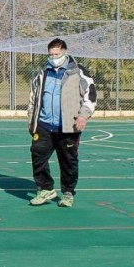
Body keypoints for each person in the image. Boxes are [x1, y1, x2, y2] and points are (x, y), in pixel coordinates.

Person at [27, 38, 96, 208]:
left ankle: (67, 193)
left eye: (56, 54)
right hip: (44, 125)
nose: (53, 57)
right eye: (50, 54)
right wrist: (31, 119)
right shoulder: (43, 72)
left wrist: (83, 116)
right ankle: (45, 189)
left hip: (69, 126)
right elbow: (33, 98)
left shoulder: (78, 72)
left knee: (68, 162)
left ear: (65, 52)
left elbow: (91, 96)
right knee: (38, 156)